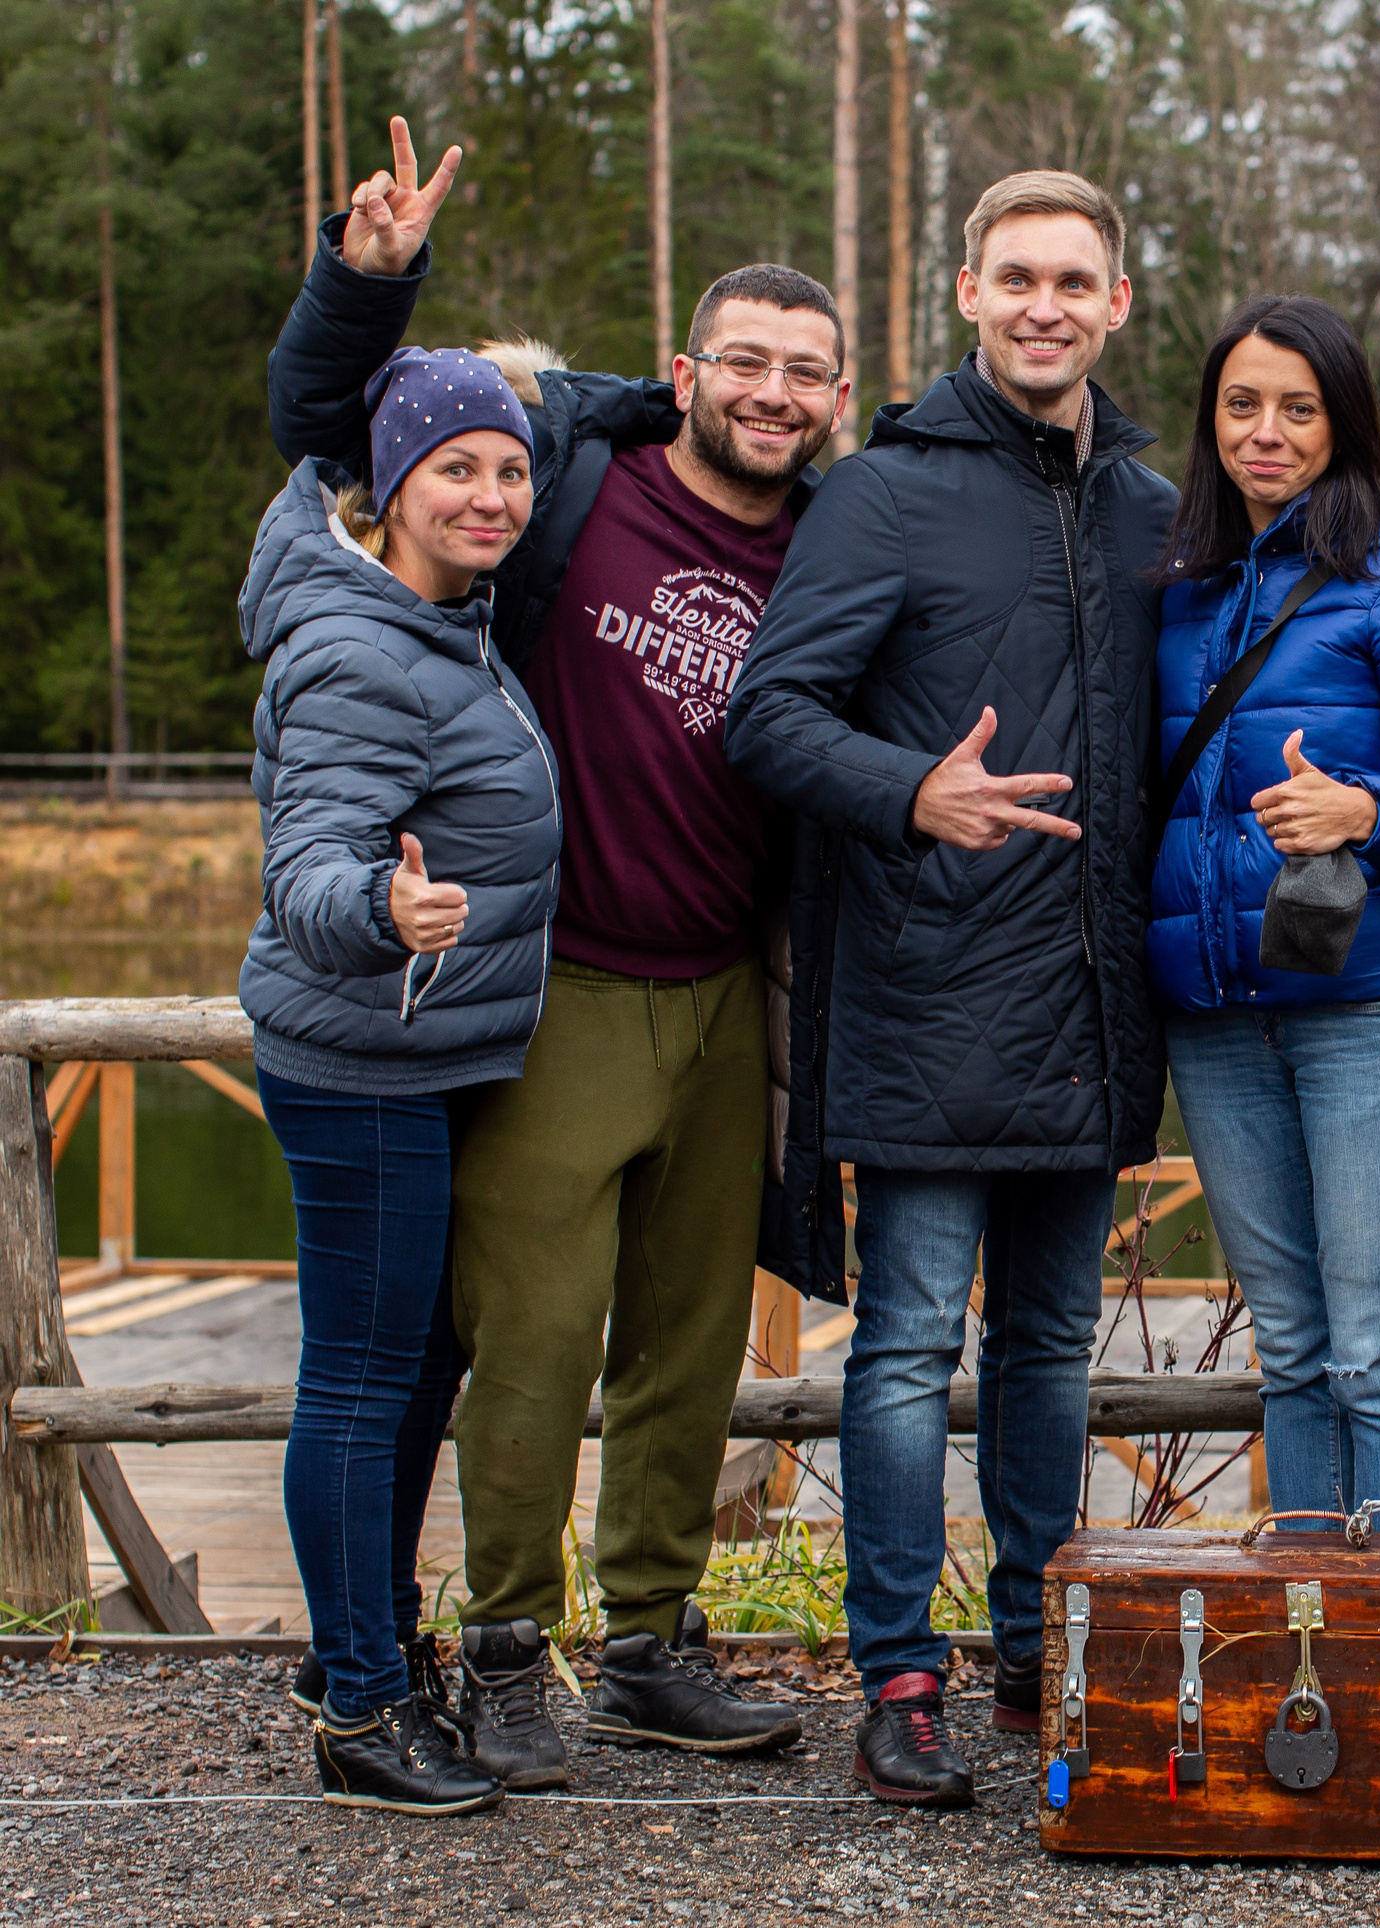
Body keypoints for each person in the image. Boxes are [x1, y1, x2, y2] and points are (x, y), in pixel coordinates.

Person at [265, 116, 838, 1785]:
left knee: (688, 1340)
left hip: (731, 985)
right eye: (746, 359)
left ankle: (650, 1637)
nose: (775, 393)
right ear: (683, 368)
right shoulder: (565, 471)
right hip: (563, 981)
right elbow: (345, 420)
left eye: (808, 372)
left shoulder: (835, 532)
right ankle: (507, 1644)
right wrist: (366, 275)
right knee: (529, 1338)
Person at [725, 171, 1178, 1809]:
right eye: (1018, 278)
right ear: (968, 295)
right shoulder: (885, 493)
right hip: (924, 984)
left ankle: (1037, 1647)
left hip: (1091, 997)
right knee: (908, 1342)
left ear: (1117, 303)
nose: (1047, 304)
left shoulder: (1148, 503)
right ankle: (899, 1675)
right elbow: (769, 717)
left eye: (1077, 279)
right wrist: (913, 790)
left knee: (1052, 1342)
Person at [240, 347, 553, 1815]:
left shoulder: (441, 623)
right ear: (393, 489)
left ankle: (353, 1652)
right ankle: (362, 1709)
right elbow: (308, 862)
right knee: (363, 1388)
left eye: (510, 467)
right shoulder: (365, 650)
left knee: (410, 1370)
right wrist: (381, 911)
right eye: (458, 470)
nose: (491, 494)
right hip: (361, 1062)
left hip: (421, 1058)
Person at [1147, 295, 1380, 1529]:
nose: (1267, 431)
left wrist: (1363, 810)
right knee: (1286, 1346)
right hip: (1219, 1016)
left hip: (1366, 1013)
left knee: (1372, 1350)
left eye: (1299, 407)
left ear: (1344, 423)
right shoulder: (1180, 584)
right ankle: (1306, 1640)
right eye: (1242, 404)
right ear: (1211, 420)